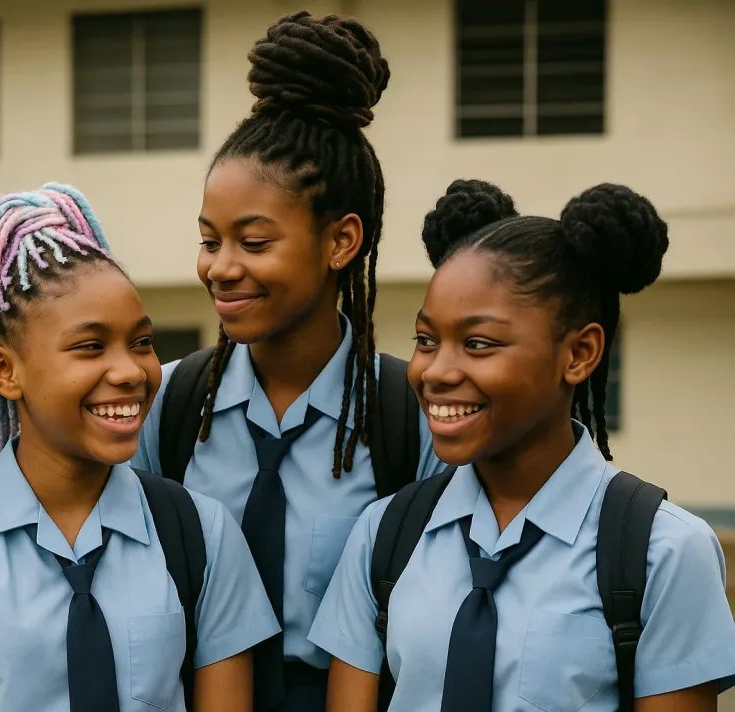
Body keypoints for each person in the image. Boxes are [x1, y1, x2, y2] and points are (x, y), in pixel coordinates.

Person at [0, 184, 279, 712]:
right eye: (90, 347)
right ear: (5, 370)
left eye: (140, 342)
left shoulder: (201, 536)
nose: (130, 372)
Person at [309, 179, 735, 711]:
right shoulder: (385, 534)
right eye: (425, 340)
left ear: (580, 353)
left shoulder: (661, 552)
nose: (436, 371)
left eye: (478, 344)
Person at [130, 12, 445, 711]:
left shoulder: (408, 416)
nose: (221, 268)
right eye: (210, 240)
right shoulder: (175, 405)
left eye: (254, 241)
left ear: (341, 242)